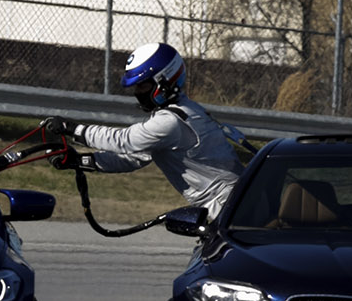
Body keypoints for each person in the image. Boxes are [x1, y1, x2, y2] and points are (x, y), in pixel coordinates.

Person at [42, 42, 244, 214]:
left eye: (143, 86)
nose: (137, 92)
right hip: (228, 204)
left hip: (229, 207)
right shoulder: (181, 111)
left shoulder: (172, 122)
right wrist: (81, 161)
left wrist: (73, 129)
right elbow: (136, 157)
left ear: (165, 82)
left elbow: (126, 140)